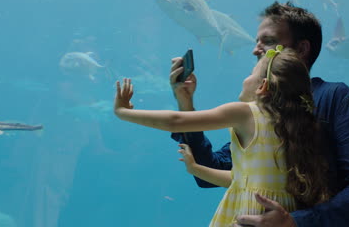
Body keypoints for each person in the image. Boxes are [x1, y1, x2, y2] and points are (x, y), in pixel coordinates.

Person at [170, 2, 349, 226]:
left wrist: (296, 222)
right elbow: (214, 169)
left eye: (269, 41)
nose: (255, 49)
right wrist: (186, 104)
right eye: (256, 42)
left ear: (302, 49)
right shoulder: (260, 107)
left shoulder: (337, 98)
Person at [114, 46, 331, 226]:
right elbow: (242, 180)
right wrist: (196, 169)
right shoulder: (298, 128)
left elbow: (175, 121)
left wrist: (124, 112)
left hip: (250, 217)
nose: (245, 78)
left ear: (262, 87)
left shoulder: (246, 113)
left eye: (250, 73)